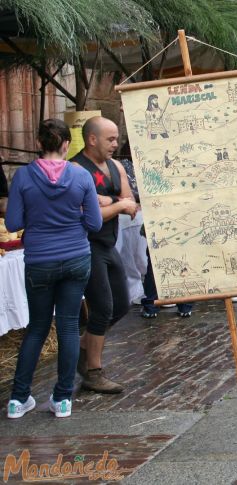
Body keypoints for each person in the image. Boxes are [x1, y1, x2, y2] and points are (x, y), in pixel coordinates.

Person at [5, 119, 102, 419]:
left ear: (38, 143)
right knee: (69, 326)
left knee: (37, 327)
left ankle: (18, 399)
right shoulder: (81, 176)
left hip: (39, 261)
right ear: (65, 145)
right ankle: (62, 399)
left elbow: (12, 223)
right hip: (76, 258)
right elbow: (95, 224)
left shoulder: (23, 177)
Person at [71, 116, 138, 394]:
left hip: (109, 245)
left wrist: (110, 201)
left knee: (122, 303)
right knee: (102, 308)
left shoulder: (116, 167)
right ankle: (94, 371)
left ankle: (83, 344)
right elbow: (90, 217)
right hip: (87, 245)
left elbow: (132, 203)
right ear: (92, 139)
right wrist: (117, 204)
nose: (115, 144)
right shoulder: (76, 169)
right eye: (110, 139)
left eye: (116, 138)